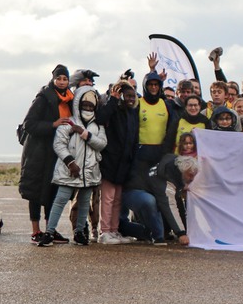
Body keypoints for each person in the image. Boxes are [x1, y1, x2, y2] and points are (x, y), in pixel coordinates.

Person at [37, 87, 108, 246]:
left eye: (91, 106)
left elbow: (102, 144)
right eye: (85, 105)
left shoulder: (98, 126)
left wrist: (83, 133)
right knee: (60, 200)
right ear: (78, 104)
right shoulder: (68, 122)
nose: (88, 108)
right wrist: (70, 162)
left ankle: (79, 233)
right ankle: (49, 233)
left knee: (84, 202)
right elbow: (58, 144)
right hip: (69, 171)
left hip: (89, 171)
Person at [19, 64, 75, 244]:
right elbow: (29, 123)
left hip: (56, 152)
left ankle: (50, 229)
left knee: (52, 191)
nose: (61, 82)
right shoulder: (43, 97)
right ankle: (36, 231)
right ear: (53, 79)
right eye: (58, 78)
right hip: (38, 152)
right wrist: (53, 124)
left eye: (65, 79)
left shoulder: (70, 98)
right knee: (35, 192)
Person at [96, 80, 140, 245]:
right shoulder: (114, 108)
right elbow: (101, 118)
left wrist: (132, 158)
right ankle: (105, 231)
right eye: (127, 96)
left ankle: (114, 230)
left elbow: (135, 138)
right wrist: (113, 99)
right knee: (107, 198)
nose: (130, 99)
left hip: (124, 161)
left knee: (117, 199)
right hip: (111, 160)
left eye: (132, 96)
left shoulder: (132, 112)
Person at [122, 154, 198, 246]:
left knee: (155, 203)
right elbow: (170, 207)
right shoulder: (166, 181)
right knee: (150, 202)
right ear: (183, 171)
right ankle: (125, 228)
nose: (192, 179)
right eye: (190, 175)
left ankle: (127, 227)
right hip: (131, 191)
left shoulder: (173, 162)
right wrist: (181, 233)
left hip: (136, 185)